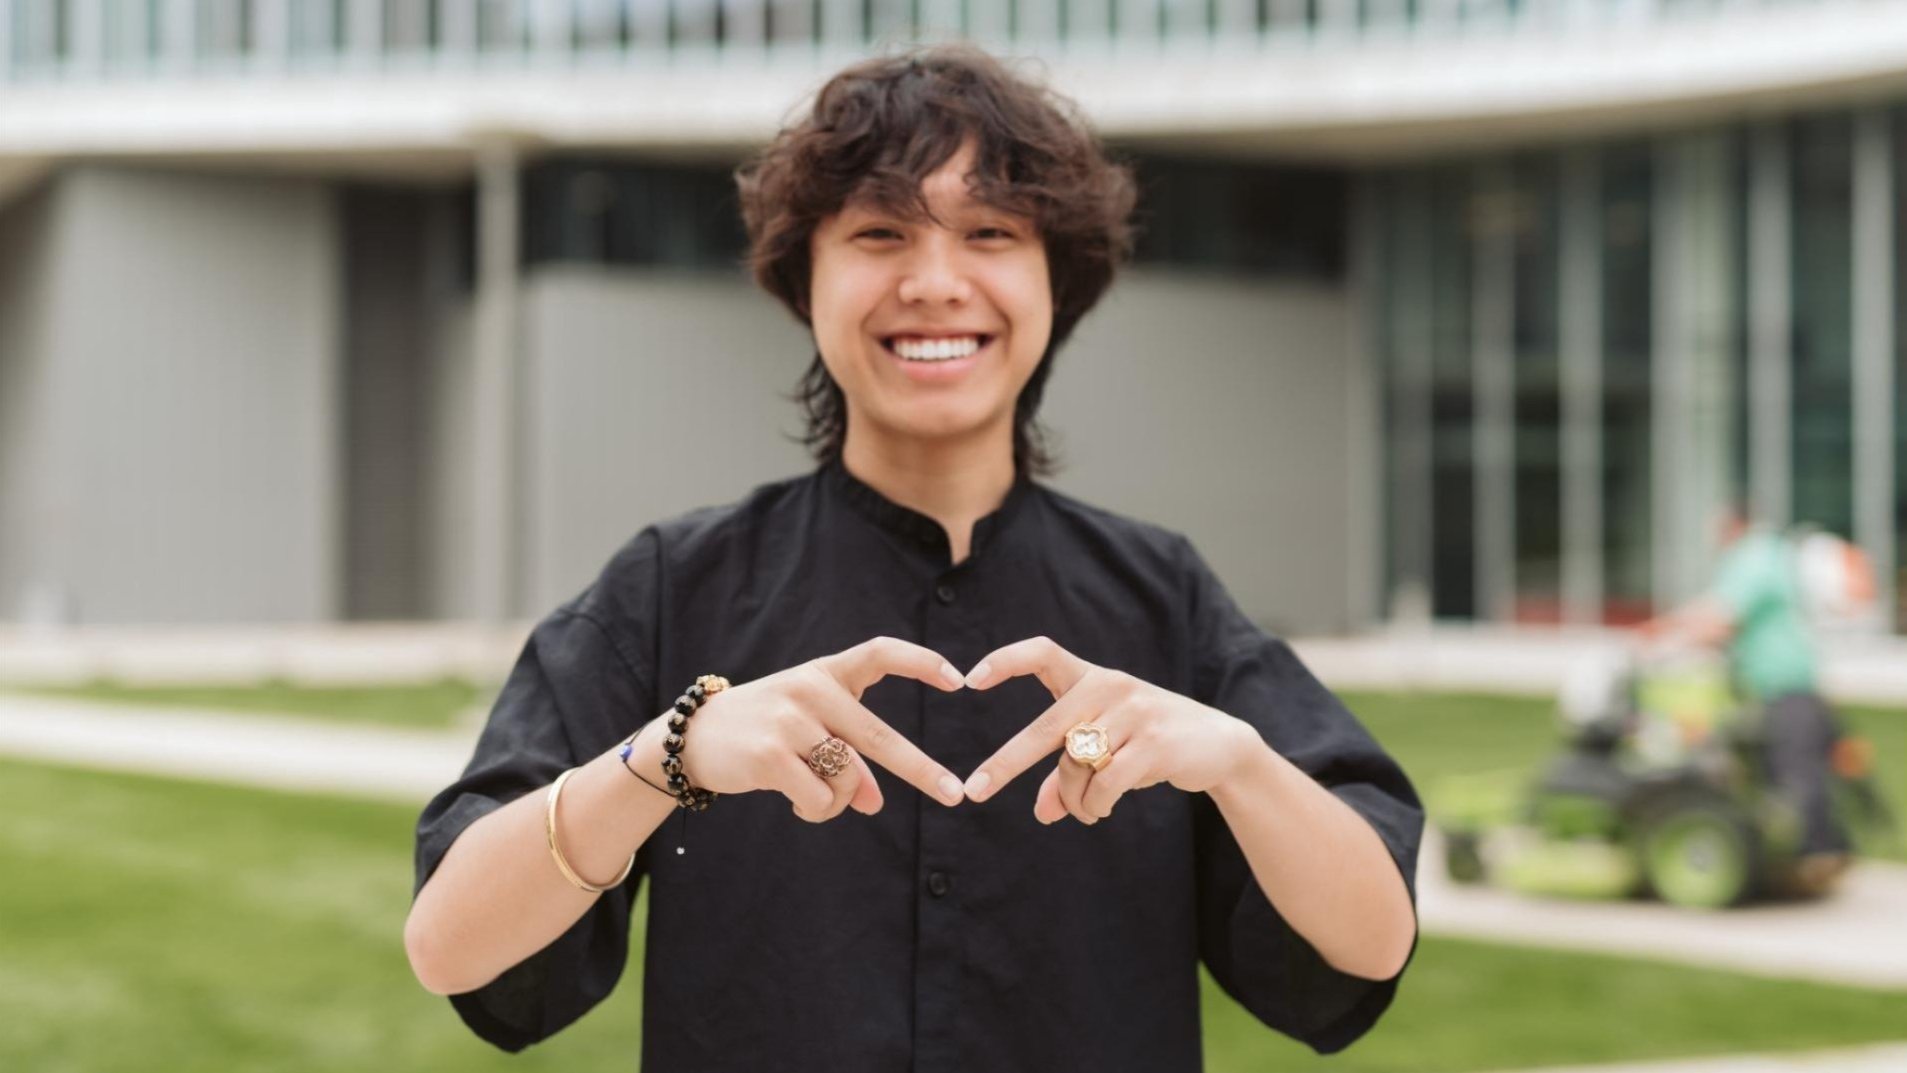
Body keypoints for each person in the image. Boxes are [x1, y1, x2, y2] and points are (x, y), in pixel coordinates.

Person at [404, 45, 1421, 1071]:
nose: (934, 283)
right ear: (803, 276)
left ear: (1054, 281)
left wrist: (1240, 763)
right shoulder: (673, 585)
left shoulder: (1164, 597)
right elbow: (451, 948)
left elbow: (1371, 943)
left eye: (988, 233)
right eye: (880, 233)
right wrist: (672, 753)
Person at [1637, 504, 1852, 890]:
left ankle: (1816, 857)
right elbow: (1712, 607)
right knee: (1787, 768)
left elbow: (1722, 618)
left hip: (1785, 682)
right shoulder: (1767, 557)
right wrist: (1668, 625)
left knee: (1796, 772)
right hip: (1788, 682)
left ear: (1733, 526)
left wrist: (1669, 644)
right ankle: (1818, 851)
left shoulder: (1753, 557)